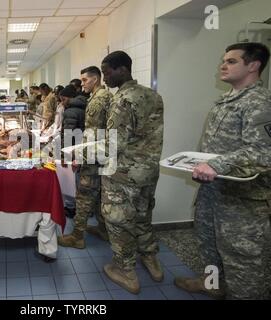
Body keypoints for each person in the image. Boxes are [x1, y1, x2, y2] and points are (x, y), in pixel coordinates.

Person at [174, 42, 271, 300]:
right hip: (213, 190)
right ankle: (212, 284)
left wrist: (216, 165)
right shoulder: (228, 98)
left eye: (231, 61)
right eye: (223, 60)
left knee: (243, 260)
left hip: (242, 200)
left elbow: (263, 151)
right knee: (209, 245)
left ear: (253, 65)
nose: (223, 65)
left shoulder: (260, 103)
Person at [100, 51, 164, 294]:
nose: (105, 78)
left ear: (122, 70)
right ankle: (151, 259)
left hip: (123, 175)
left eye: (107, 73)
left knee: (118, 220)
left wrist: (81, 152)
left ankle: (125, 270)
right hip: (148, 172)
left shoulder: (122, 100)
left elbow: (113, 145)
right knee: (143, 216)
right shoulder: (153, 95)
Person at [58, 66, 112, 249]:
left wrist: (79, 157)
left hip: (93, 156)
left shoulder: (98, 100)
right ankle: (103, 229)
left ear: (95, 79)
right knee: (98, 196)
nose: (82, 85)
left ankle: (77, 236)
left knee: (84, 194)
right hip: (102, 154)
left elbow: (93, 134)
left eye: (85, 80)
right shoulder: (104, 97)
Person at [60, 85, 88, 218]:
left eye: (63, 99)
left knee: (72, 182)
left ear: (68, 98)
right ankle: (84, 209)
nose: (62, 102)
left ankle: (72, 209)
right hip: (84, 148)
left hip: (74, 149)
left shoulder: (71, 111)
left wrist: (64, 155)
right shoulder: (84, 106)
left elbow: (68, 134)